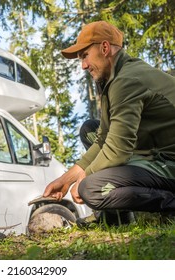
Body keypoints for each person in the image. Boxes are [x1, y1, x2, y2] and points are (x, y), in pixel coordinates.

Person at [43, 20, 175, 225]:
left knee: (91, 188)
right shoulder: (118, 76)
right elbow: (104, 138)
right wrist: (65, 180)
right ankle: (118, 218)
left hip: (169, 162)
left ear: (104, 48)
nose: (83, 65)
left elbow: (118, 149)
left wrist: (84, 178)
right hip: (156, 152)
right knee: (90, 130)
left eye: (85, 55)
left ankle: (171, 205)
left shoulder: (126, 80)